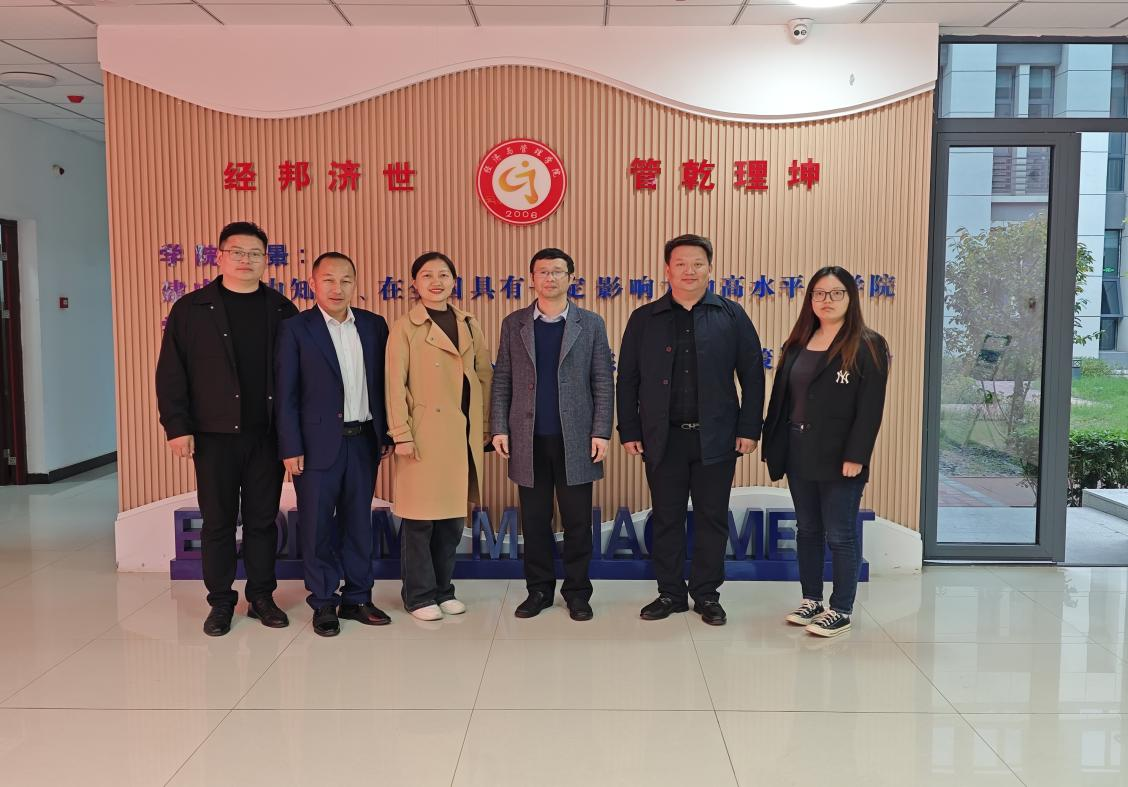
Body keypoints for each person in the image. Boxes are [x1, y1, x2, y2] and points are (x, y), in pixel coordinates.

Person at [155, 221, 299, 636]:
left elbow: (295, 378)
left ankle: (261, 597)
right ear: (219, 256)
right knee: (217, 522)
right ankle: (220, 601)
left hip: (266, 436)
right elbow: (171, 373)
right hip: (212, 436)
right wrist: (177, 426)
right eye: (237, 252)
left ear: (266, 260)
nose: (245, 260)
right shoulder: (191, 308)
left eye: (255, 253)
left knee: (261, 521)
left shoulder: (282, 309)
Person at [617, 234, 764, 627]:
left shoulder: (731, 315)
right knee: (666, 518)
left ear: (710, 269)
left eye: (698, 264)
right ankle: (670, 593)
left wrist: (750, 428)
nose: (689, 271)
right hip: (662, 437)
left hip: (716, 437)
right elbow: (627, 379)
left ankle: (707, 595)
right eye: (680, 264)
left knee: (712, 518)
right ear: (667, 270)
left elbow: (753, 376)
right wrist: (629, 429)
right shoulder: (644, 319)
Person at [762, 266, 889, 637]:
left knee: (840, 534)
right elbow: (782, 401)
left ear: (851, 298)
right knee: (807, 530)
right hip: (799, 451)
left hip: (840, 457)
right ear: (810, 299)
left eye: (836, 293)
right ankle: (812, 600)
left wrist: (857, 455)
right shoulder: (798, 342)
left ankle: (841, 608)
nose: (826, 300)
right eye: (819, 293)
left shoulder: (867, 344)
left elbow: (870, 408)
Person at [491, 248, 614, 622]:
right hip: (527, 438)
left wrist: (601, 431)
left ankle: (577, 592)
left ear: (571, 278)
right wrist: (499, 427)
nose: (550, 278)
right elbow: (502, 379)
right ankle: (539, 590)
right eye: (543, 271)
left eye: (558, 271)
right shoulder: (514, 324)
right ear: (532, 278)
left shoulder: (590, 323)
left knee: (577, 522)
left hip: (576, 439)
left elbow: (602, 381)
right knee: (535, 520)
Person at [275, 252, 392, 637]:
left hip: (364, 442)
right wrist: (290, 446)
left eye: (345, 280)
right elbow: (286, 393)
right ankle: (324, 600)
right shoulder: (296, 329)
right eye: (328, 279)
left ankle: (358, 597)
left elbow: (384, 384)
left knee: (359, 523)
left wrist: (386, 433)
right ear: (313, 283)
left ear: (355, 284)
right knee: (316, 526)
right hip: (314, 446)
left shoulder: (373, 326)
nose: (337, 288)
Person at [386, 252, 493, 621]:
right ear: (415, 283)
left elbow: (484, 376)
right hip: (422, 434)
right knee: (419, 521)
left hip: (460, 435)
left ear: (454, 281)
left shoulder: (468, 323)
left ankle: (444, 589)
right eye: (427, 275)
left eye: (444, 274)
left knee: (451, 520)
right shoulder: (405, 327)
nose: (436, 281)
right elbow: (394, 385)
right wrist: (401, 433)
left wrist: (483, 426)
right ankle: (418, 595)